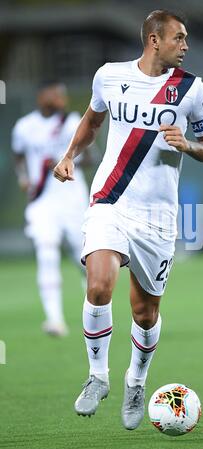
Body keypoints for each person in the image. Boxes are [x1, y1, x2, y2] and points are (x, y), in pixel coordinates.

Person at [53, 10, 203, 429]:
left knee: (145, 313)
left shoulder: (191, 89)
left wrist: (188, 146)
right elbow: (92, 121)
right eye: (178, 38)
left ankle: (136, 380)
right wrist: (70, 155)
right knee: (98, 284)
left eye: (186, 39)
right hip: (110, 200)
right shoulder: (109, 76)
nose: (185, 46)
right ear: (154, 40)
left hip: (158, 217)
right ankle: (97, 377)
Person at [12, 82, 90, 337]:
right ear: (41, 95)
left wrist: (69, 157)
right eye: (54, 94)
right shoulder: (25, 127)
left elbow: (92, 157)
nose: (59, 99)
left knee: (84, 261)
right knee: (46, 252)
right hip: (43, 202)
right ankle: (55, 320)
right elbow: (19, 155)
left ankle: (94, 315)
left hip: (72, 199)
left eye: (62, 95)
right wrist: (24, 177)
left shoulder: (72, 123)